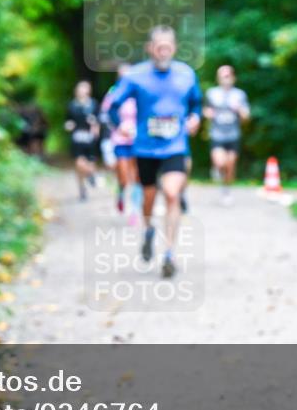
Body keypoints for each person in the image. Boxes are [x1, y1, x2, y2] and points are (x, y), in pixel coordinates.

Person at [107, 26, 201, 278]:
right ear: (150, 48)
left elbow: (196, 104)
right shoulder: (135, 76)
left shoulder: (186, 75)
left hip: (176, 146)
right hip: (145, 148)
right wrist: (122, 124)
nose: (163, 49)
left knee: (172, 193)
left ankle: (169, 253)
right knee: (148, 198)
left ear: (175, 46)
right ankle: (148, 230)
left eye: (168, 44)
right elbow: (113, 107)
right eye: (158, 45)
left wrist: (195, 118)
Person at [204, 65, 250, 205]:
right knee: (220, 162)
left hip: (233, 135)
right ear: (218, 78)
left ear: (233, 77)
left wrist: (239, 110)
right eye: (222, 75)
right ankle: (217, 168)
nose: (225, 78)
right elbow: (206, 110)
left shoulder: (239, 95)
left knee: (230, 165)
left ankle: (226, 190)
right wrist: (208, 114)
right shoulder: (212, 93)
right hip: (217, 134)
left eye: (228, 75)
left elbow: (246, 117)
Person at [101, 63, 141, 222]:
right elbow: (106, 115)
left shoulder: (139, 92)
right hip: (119, 139)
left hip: (138, 140)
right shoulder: (113, 93)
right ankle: (121, 191)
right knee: (124, 175)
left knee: (136, 176)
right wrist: (120, 127)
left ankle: (134, 210)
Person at [65, 80, 99, 201]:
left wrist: (96, 127)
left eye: (84, 89)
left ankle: (90, 174)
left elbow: (98, 120)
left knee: (90, 164)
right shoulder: (72, 105)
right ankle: (82, 189)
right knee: (79, 164)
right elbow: (68, 121)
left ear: (88, 91)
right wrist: (69, 125)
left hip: (89, 138)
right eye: (80, 89)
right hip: (77, 137)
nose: (82, 91)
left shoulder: (93, 104)